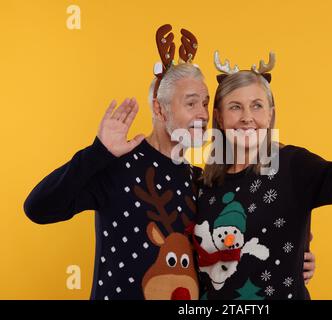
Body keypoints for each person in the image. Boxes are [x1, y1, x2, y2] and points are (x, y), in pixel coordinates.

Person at [23, 25, 316, 300]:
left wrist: (293, 259)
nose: (203, 115)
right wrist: (97, 153)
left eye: (204, 103)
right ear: (159, 110)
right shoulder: (117, 166)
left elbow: (224, 246)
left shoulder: (201, 180)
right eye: (191, 103)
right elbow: (39, 208)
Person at [191, 51, 332, 300]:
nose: (247, 117)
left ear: (270, 114)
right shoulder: (201, 184)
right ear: (219, 117)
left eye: (257, 105)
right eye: (235, 107)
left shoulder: (292, 165)